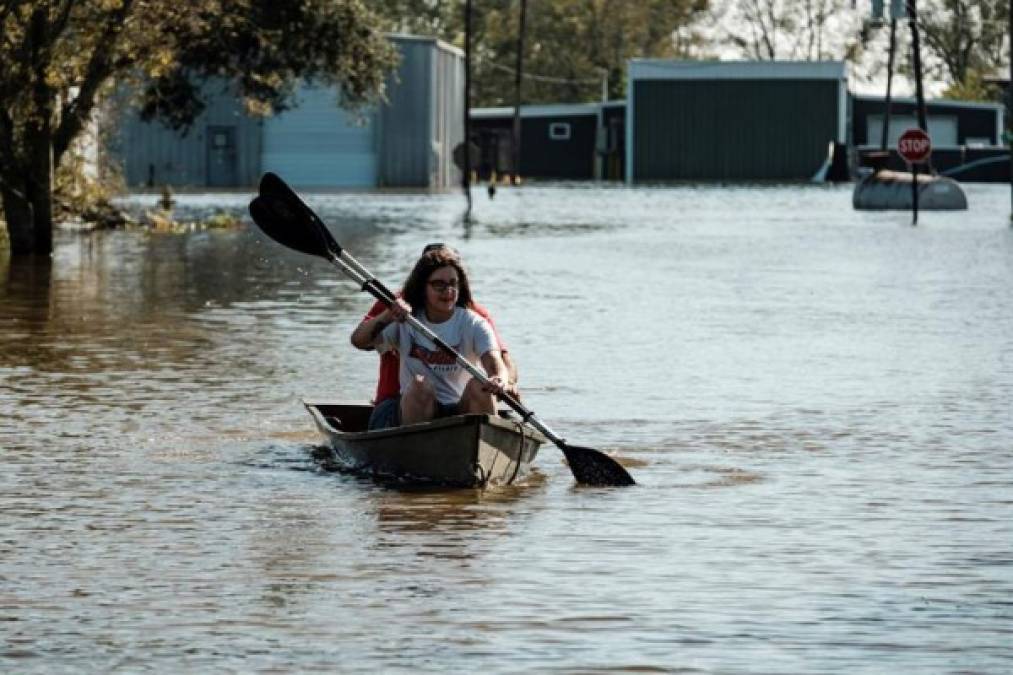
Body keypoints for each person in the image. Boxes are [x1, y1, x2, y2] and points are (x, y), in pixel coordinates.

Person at [351, 247, 515, 430]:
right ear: (423, 287)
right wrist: (387, 315)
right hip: (415, 407)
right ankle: (417, 446)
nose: (448, 291)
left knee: (480, 385)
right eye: (439, 285)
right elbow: (358, 341)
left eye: (454, 284)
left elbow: (495, 362)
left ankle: (483, 442)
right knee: (420, 384)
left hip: (459, 408)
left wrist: (499, 378)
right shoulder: (405, 318)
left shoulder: (475, 322)